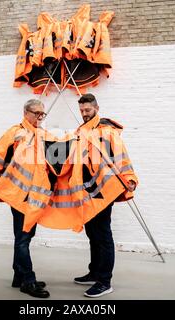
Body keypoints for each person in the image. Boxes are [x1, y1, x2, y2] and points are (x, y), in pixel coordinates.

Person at [0, 99, 50, 298]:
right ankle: (28, 280)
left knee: (24, 237)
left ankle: (18, 276)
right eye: (37, 113)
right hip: (18, 195)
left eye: (42, 114)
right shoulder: (14, 133)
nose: (40, 117)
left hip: (34, 196)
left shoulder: (41, 135)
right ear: (25, 112)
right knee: (23, 238)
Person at [73, 93, 138, 298]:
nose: (84, 114)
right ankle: (94, 272)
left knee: (103, 235)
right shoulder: (81, 130)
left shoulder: (106, 131)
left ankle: (104, 281)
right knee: (92, 233)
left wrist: (130, 178)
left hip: (104, 190)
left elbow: (121, 156)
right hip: (88, 190)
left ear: (96, 108)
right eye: (82, 110)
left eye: (88, 110)